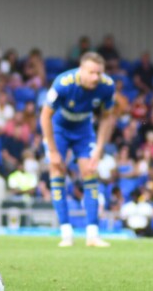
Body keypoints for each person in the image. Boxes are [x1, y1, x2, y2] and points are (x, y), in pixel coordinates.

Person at [40, 52, 117, 248]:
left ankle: (93, 235)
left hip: (84, 130)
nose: (95, 77)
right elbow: (45, 116)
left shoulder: (107, 86)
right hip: (59, 129)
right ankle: (66, 233)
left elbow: (107, 117)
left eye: (99, 73)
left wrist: (99, 149)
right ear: (81, 70)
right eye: (91, 72)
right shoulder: (63, 83)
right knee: (57, 171)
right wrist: (53, 151)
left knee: (90, 172)